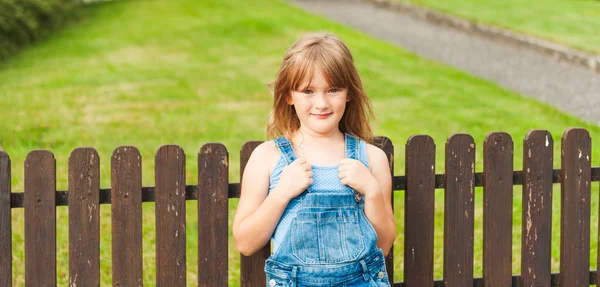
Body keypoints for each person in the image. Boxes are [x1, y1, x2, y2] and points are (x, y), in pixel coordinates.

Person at [233, 32, 395, 287]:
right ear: (288, 96)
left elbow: (383, 246)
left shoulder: (371, 159)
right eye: (308, 91)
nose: (321, 103)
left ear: (349, 93)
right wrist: (281, 193)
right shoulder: (268, 157)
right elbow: (245, 242)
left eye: (333, 90)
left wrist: (372, 191)